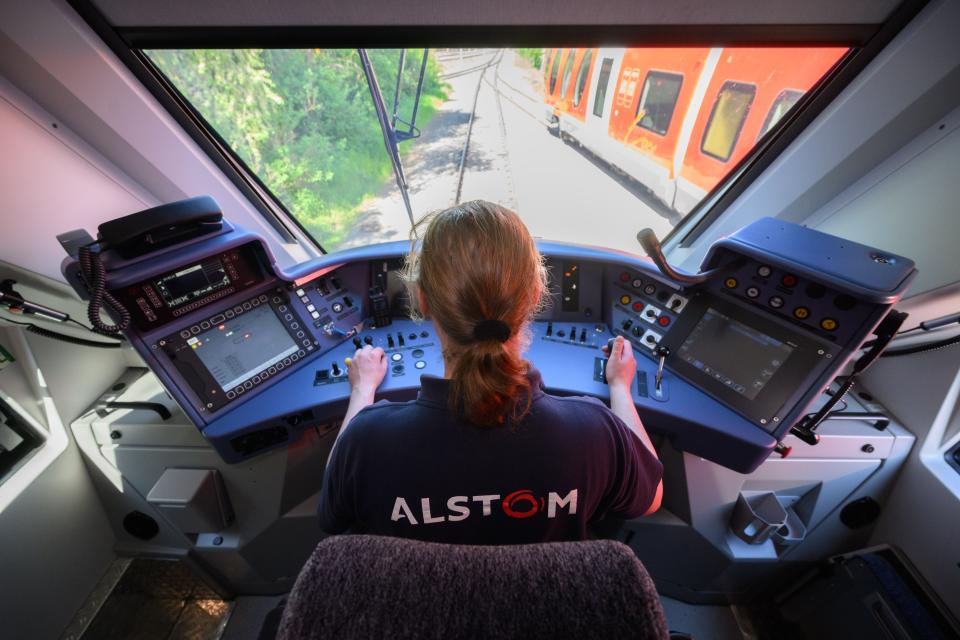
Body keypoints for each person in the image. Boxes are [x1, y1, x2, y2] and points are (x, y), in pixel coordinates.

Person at [317, 200, 663, 544]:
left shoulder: (368, 442)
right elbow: (651, 499)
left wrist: (362, 392)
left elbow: (331, 515)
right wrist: (619, 387)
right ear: (535, 294)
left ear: (421, 299)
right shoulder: (594, 432)